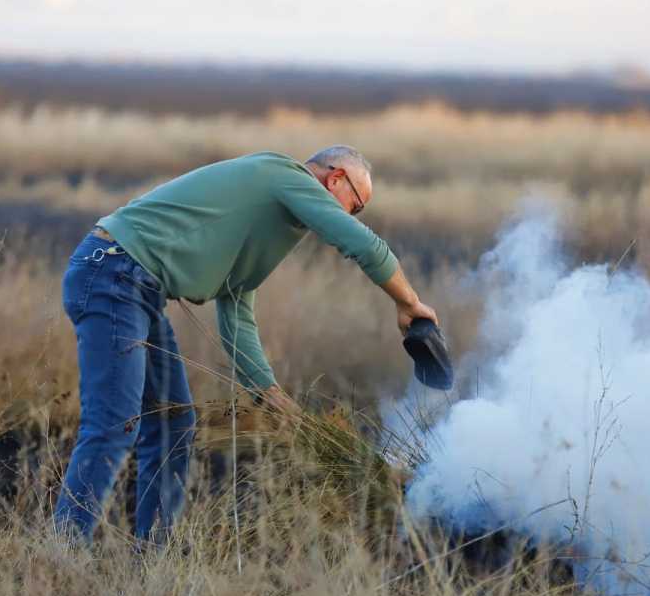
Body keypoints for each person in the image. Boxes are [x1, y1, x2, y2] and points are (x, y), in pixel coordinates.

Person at [54, 145, 438, 543]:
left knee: (174, 425)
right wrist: (408, 302)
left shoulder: (276, 219)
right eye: (355, 206)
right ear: (335, 179)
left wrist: (266, 392)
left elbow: (235, 303)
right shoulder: (285, 176)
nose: (351, 217)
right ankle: (63, 553)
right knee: (115, 425)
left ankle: (152, 558)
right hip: (112, 272)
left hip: (135, 289)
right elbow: (362, 245)